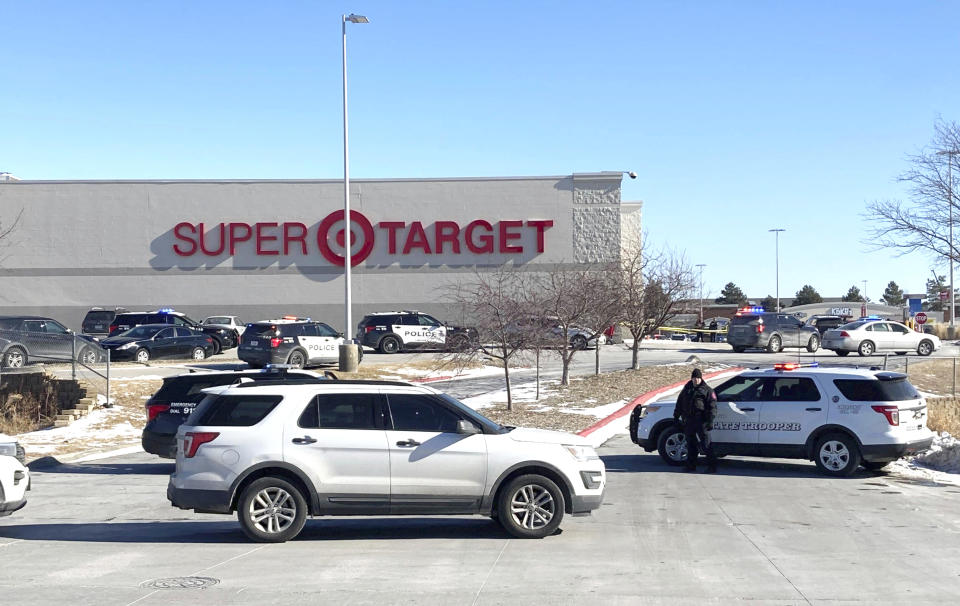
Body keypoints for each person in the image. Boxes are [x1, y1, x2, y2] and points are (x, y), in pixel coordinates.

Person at [673, 368, 718, 473]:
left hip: (701, 420)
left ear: (701, 378)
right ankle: (691, 466)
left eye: (697, 378)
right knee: (691, 444)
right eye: (694, 378)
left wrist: (710, 420)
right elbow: (679, 404)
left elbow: (712, 407)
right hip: (689, 420)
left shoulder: (707, 390)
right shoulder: (686, 390)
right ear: (691, 379)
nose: (696, 380)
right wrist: (676, 417)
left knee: (706, 444)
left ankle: (712, 466)